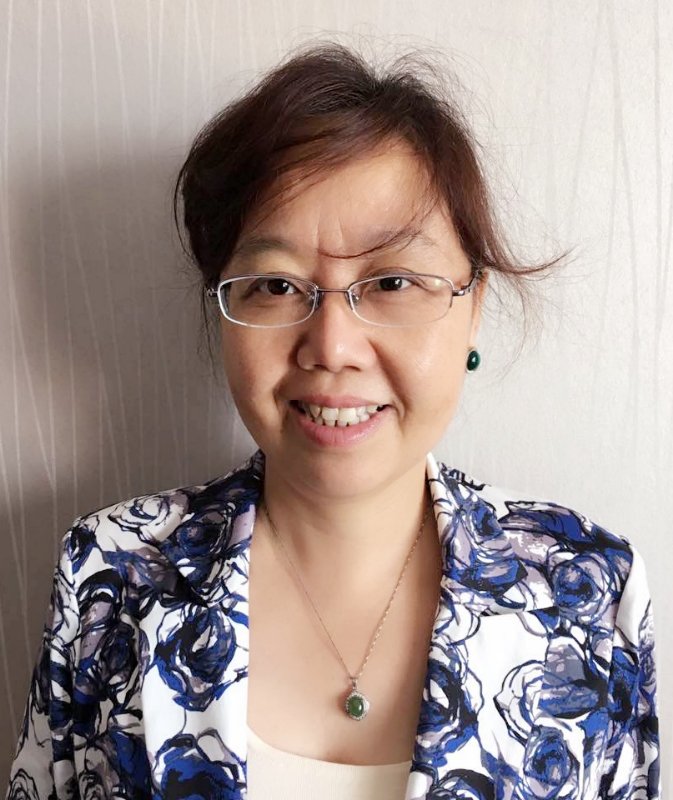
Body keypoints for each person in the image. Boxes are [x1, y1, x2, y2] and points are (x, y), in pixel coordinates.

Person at [6, 42, 659, 800]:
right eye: (277, 286)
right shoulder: (110, 574)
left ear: (472, 306)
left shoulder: (588, 591)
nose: (332, 348)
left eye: (392, 282)